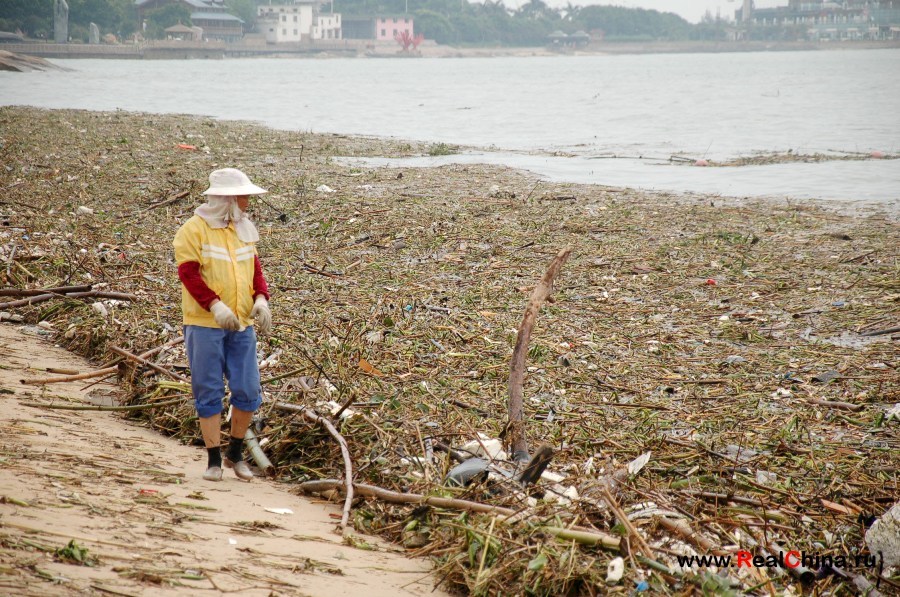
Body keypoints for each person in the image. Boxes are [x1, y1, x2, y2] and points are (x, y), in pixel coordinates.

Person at [173, 168, 272, 482]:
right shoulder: (193, 230)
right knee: (209, 389)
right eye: (243, 197)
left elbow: (254, 269)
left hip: (241, 324)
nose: (247, 203)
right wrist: (215, 306)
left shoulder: (242, 229)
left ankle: (236, 453)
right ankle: (213, 459)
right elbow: (189, 275)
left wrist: (261, 298)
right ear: (228, 199)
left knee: (248, 388)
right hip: (204, 324)